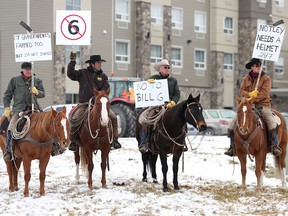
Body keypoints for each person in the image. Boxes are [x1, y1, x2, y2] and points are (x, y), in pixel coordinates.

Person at [224, 58, 282, 157]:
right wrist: (249, 94)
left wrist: (253, 98)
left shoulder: (266, 78)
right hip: (247, 106)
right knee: (232, 125)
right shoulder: (246, 78)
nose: (258, 67)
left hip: (263, 106)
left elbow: (265, 93)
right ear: (252, 67)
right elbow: (241, 91)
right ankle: (232, 147)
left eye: (259, 65)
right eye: (256, 65)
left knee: (272, 123)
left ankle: (274, 145)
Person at [67, 53, 121, 151]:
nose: (100, 64)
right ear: (92, 64)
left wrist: (100, 94)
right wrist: (72, 62)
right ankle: (73, 142)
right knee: (75, 118)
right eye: (98, 63)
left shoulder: (103, 76)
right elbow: (70, 74)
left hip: (100, 105)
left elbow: (106, 87)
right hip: (85, 104)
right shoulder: (82, 73)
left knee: (113, 117)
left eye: (100, 62)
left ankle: (114, 140)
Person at [3, 62, 45, 161]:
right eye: (26, 70)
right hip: (19, 110)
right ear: (22, 70)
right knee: (11, 127)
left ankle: (54, 147)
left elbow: (43, 94)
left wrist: (37, 92)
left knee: (47, 124)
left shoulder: (37, 81)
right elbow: (7, 95)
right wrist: (7, 108)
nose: (28, 71)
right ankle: (8, 150)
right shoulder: (14, 80)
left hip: (33, 109)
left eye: (30, 70)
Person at [138, 59, 181, 153]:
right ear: (160, 69)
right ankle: (144, 141)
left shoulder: (173, 81)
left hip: (169, 106)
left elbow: (177, 94)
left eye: (168, 67)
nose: (168, 69)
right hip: (155, 105)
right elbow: (147, 91)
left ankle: (182, 142)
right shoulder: (153, 78)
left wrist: (173, 102)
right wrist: (148, 84)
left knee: (181, 120)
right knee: (147, 120)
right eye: (165, 67)